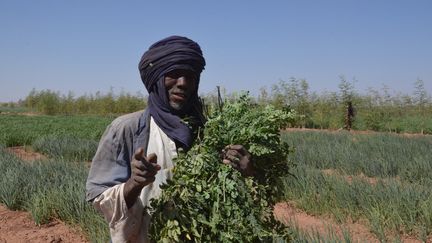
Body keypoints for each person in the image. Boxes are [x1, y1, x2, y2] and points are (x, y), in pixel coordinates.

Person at [85, 36, 253, 242]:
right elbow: (98, 195)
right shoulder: (127, 128)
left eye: (190, 76)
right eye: (173, 74)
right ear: (156, 78)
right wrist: (134, 184)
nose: (183, 84)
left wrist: (246, 173)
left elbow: (230, 199)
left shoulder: (210, 131)